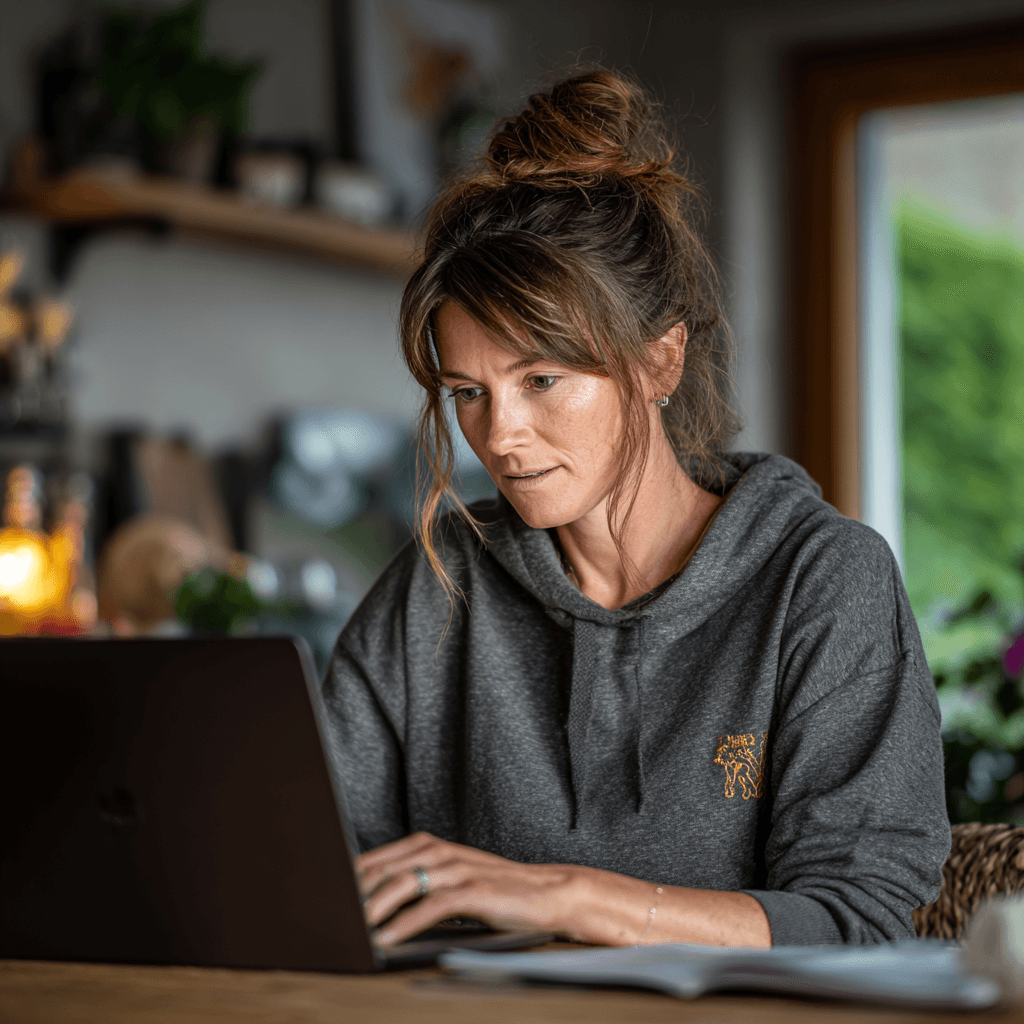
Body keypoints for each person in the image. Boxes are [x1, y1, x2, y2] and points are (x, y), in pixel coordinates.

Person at [322, 69, 950, 949]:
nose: (499, 436)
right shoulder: (441, 578)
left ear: (660, 361)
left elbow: (861, 921)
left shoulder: (823, 581)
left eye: (543, 380)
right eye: (468, 391)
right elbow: (307, 861)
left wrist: (568, 898)